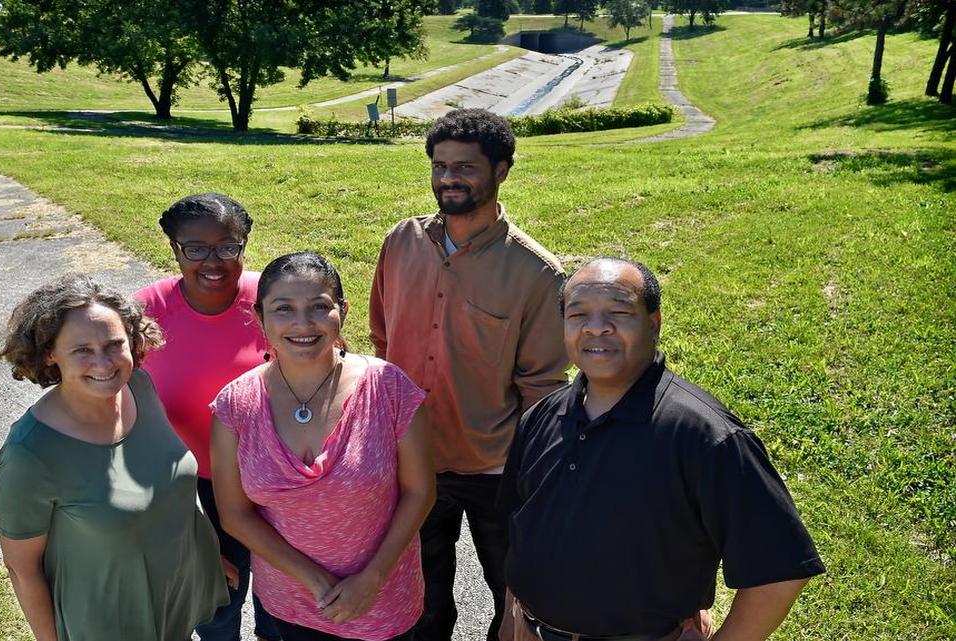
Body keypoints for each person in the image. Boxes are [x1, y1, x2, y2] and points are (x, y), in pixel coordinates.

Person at [498, 258, 825, 641]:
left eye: (619, 312)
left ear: (653, 324)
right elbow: (518, 530)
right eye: (578, 314)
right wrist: (510, 620)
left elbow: (780, 571)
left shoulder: (704, 436)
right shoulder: (541, 418)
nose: (596, 327)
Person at [369, 108, 568, 641]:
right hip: (413, 461)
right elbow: (382, 342)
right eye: (439, 165)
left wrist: (534, 476)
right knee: (420, 601)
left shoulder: (535, 272)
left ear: (501, 170)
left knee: (512, 599)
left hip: (495, 470)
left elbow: (543, 387)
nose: (449, 178)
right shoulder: (401, 242)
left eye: (465, 167)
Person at [212, 252, 435, 641]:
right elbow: (235, 515)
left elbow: (419, 493)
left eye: (319, 306)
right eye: (284, 308)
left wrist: (371, 579)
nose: (303, 323)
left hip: (381, 602)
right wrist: (316, 581)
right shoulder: (236, 404)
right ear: (259, 316)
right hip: (290, 605)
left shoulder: (390, 387)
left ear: (343, 312)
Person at [0, 273, 228, 641]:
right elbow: (22, 569)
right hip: (108, 621)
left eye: (113, 344)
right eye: (82, 350)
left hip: (174, 597)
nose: (103, 364)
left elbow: (168, 488)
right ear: (50, 354)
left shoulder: (140, 386)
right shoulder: (31, 454)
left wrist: (205, 555)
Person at [135, 192, 282, 641]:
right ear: (174, 249)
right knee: (217, 602)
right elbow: (120, 412)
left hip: (279, 475)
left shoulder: (274, 296)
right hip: (193, 485)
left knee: (284, 601)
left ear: (244, 244)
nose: (212, 261)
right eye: (194, 248)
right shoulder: (144, 312)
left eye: (227, 246)